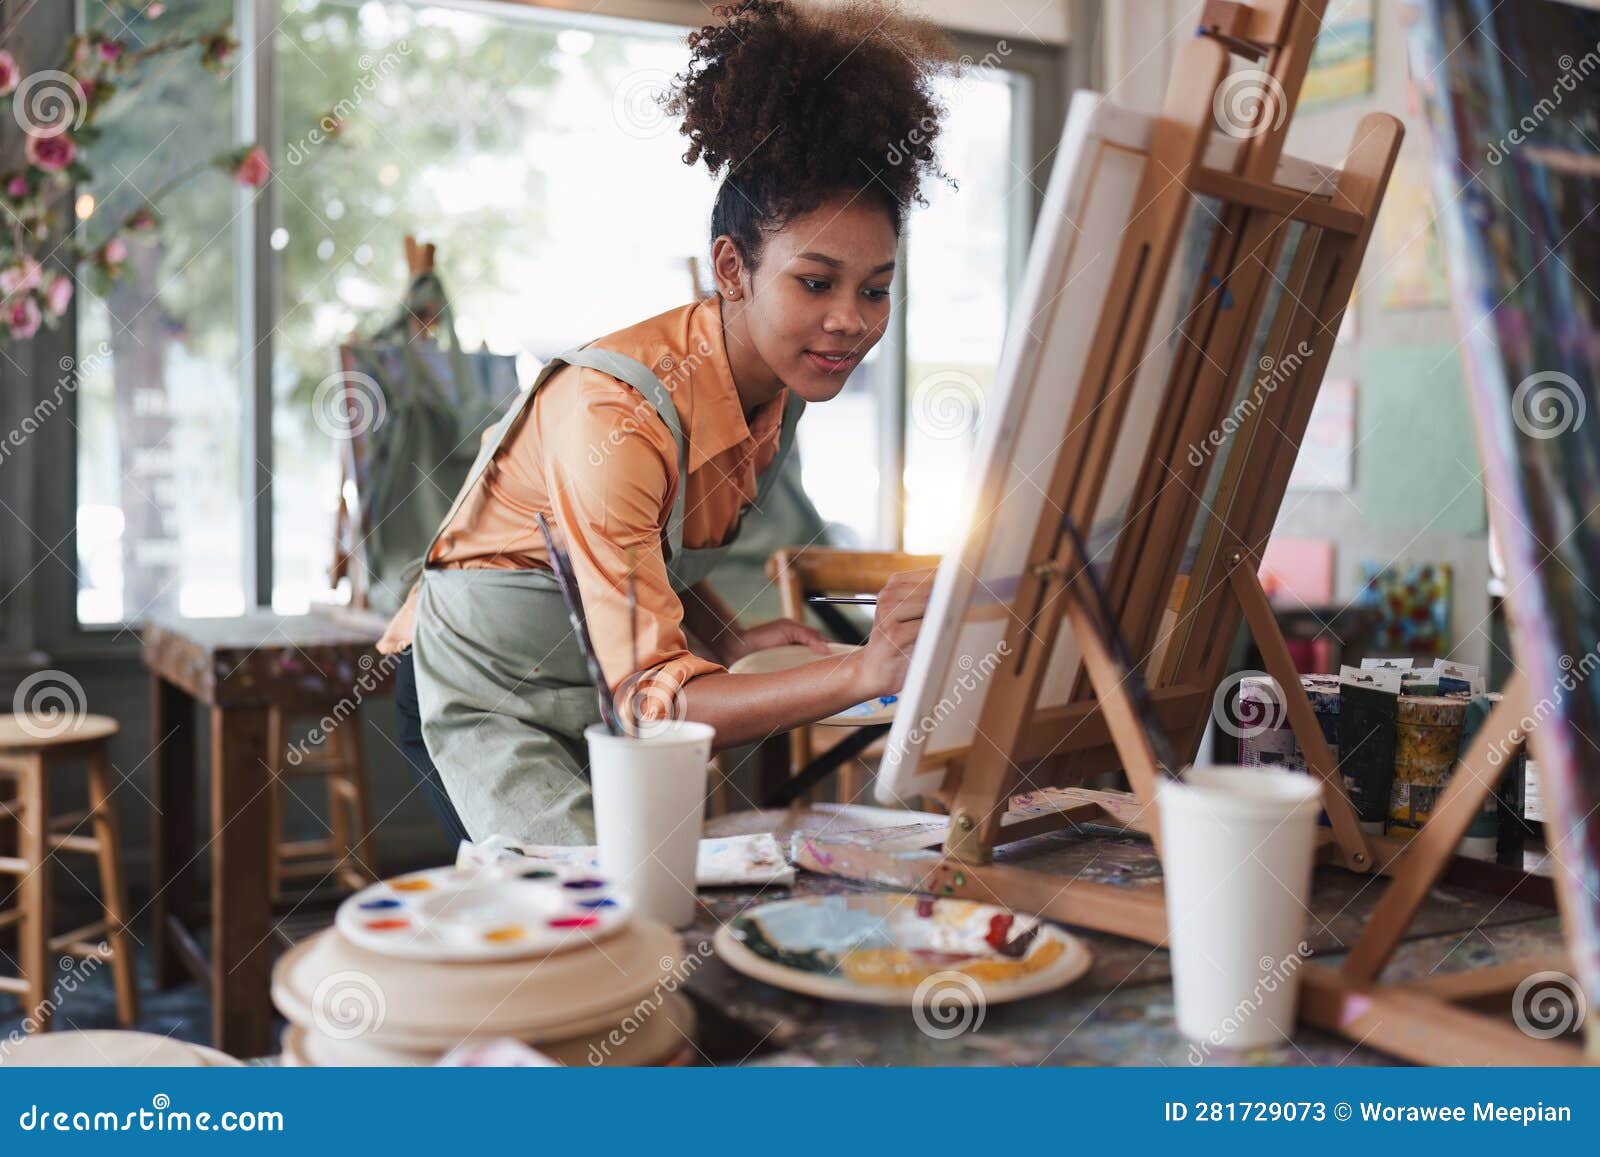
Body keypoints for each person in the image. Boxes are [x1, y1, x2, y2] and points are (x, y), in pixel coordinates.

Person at [378, 0, 954, 844]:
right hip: (490, 695)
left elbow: (654, 545)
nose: (851, 322)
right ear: (733, 268)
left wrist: (728, 632)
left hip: (599, 685)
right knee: (591, 923)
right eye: (816, 282)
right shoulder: (615, 413)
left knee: (661, 905)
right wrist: (860, 671)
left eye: (875, 289)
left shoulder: (784, 386)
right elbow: (657, 702)